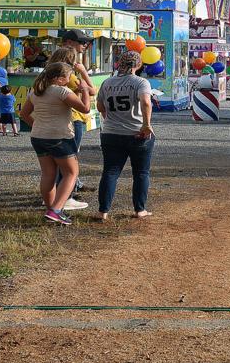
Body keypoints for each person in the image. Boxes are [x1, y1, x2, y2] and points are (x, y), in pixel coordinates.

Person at [19, 61, 90, 225]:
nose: (69, 79)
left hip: (38, 136)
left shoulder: (36, 92)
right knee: (71, 173)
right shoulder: (62, 91)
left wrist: (37, 125)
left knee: (48, 174)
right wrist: (85, 90)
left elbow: (24, 113)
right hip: (59, 136)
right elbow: (85, 109)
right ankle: (56, 210)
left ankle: (51, 209)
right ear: (58, 78)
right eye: (67, 76)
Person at [95, 50, 155, 221]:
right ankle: (139, 209)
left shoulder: (107, 82)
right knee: (141, 173)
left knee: (110, 172)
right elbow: (145, 102)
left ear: (120, 63)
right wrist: (146, 124)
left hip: (111, 133)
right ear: (138, 65)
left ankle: (103, 211)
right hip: (137, 133)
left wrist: (111, 117)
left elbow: (100, 106)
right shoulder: (141, 82)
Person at [48, 41, 96, 208]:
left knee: (53, 163)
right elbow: (92, 90)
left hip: (51, 123)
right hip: (73, 118)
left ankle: (52, 195)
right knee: (69, 161)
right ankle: (66, 197)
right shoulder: (70, 77)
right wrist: (83, 72)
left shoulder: (48, 76)